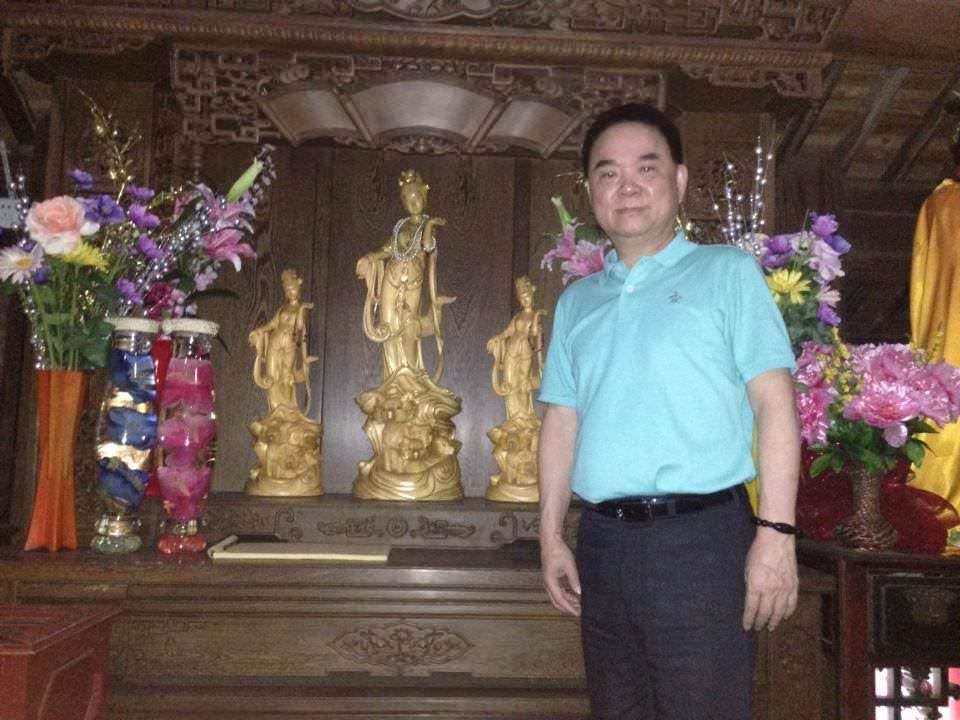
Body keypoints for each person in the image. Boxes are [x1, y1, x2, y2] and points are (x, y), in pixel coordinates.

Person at [537, 103, 801, 719]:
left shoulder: (727, 273)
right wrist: (549, 537)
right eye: (607, 172)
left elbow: (774, 404)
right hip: (602, 542)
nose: (626, 185)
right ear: (590, 192)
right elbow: (561, 423)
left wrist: (776, 534)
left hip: (700, 542)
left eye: (646, 167)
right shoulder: (578, 302)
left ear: (679, 181)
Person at [356, 169, 453, 383]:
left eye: (416, 197)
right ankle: (391, 380)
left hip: (413, 283)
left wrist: (430, 225)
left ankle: (410, 380)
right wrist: (370, 257)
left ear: (424, 195)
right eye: (408, 200)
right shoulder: (400, 226)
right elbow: (389, 249)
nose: (413, 203)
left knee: (409, 326)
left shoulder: (427, 225)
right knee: (388, 328)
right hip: (391, 278)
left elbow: (427, 246)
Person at [249, 268, 316, 414]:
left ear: (299, 285)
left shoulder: (302, 308)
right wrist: (260, 330)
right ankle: (275, 411)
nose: (290, 293)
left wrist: (301, 310)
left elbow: (300, 328)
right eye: (287, 290)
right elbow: (272, 324)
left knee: (287, 376)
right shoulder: (282, 308)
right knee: (272, 377)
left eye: (293, 289)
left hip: (290, 344)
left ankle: (288, 412)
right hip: (275, 342)